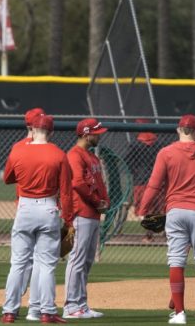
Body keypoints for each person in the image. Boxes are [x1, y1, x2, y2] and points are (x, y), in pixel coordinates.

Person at [138, 114, 195, 325]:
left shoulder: (166, 152)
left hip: (175, 211)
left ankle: (179, 313)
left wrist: (143, 208)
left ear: (178, 130)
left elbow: (154, 184)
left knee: (176, 260)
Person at [0, 108, 75, 324]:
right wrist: (68, 219)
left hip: (24, 207)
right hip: (48, 208)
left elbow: (7, 178)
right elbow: (66, 192)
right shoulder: (59, 154)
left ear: (32, 129)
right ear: (51, 132)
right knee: (46, 265)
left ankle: (9, 312)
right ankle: (46, 311)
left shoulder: (17, 150)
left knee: (18, 263)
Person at [62, 118, 111, 320]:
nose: (100, 135)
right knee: (77, 259)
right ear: (85, 134)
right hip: (81, 212)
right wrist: (96, 200)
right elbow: (78, 184)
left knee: (87, 260)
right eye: (96, 132)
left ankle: (81, 304)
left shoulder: (91, 157)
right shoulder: (74, 155)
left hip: (92, 213)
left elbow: (98, 183)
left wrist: (104, 201)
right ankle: (70, 306)